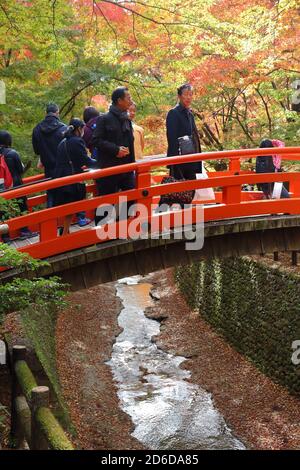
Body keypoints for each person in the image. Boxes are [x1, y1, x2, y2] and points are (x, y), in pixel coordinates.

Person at [91, 86, 135, 225]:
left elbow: (131, 143)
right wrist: (115, 149)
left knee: (130, 197)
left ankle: (123, 227)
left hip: (126, 167)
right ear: (119, 100)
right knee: (106, 202)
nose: (130, 100)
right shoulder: (104, 119)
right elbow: (96, 140)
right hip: (109, 167)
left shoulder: (126, 119)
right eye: (128, 98)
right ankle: (101, 233)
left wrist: (133, 165)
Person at [54, 119, 97, 236]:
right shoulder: (77, 141)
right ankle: (64, 234)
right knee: (72, 207)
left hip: (60, 177)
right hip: (71, 179)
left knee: (68, 208)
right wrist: (101, 163)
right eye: (82, 129)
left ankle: (65, 230)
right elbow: (86, 160)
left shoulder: (63, 142)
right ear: (79, 129)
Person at [0, 130, 37, 241]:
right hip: (15, 185)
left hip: (2, 187)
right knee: (21, 207)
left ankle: (5, 237)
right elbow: (20, 170)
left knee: (3, 210)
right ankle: (24, 231)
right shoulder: (12, 153)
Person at [32, 103, 67, 208]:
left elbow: (37, 151)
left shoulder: (37, 129)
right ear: (57, 113)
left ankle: (53, 223)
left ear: (46, 113)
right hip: (63, 168)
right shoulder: (63, 128)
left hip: (48, 168)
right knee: (66, 193)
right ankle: (67, 222)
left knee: (51, 194)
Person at [166, 84, 202, 180]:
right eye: (186, 94)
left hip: (191, 158)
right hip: (179, 159)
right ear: (179, 96)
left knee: (191, 189)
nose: (188, 97)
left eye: (190, 95)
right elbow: (172, 139)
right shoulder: (173, 113)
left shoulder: (190, 114)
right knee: (179, 191)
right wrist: (174, 162)